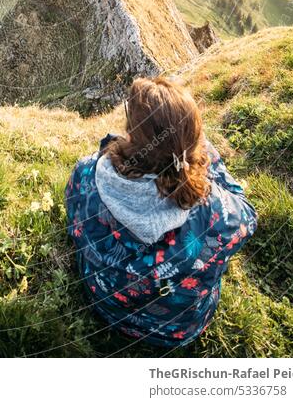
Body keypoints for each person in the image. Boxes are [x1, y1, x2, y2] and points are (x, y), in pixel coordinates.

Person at [65, 76, 257, 347]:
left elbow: (73, 216)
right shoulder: (215, 214)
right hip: (175, 331)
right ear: (189, 151)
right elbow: (247, 215)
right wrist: (207, 157)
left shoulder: (87, 173)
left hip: (104, 304)